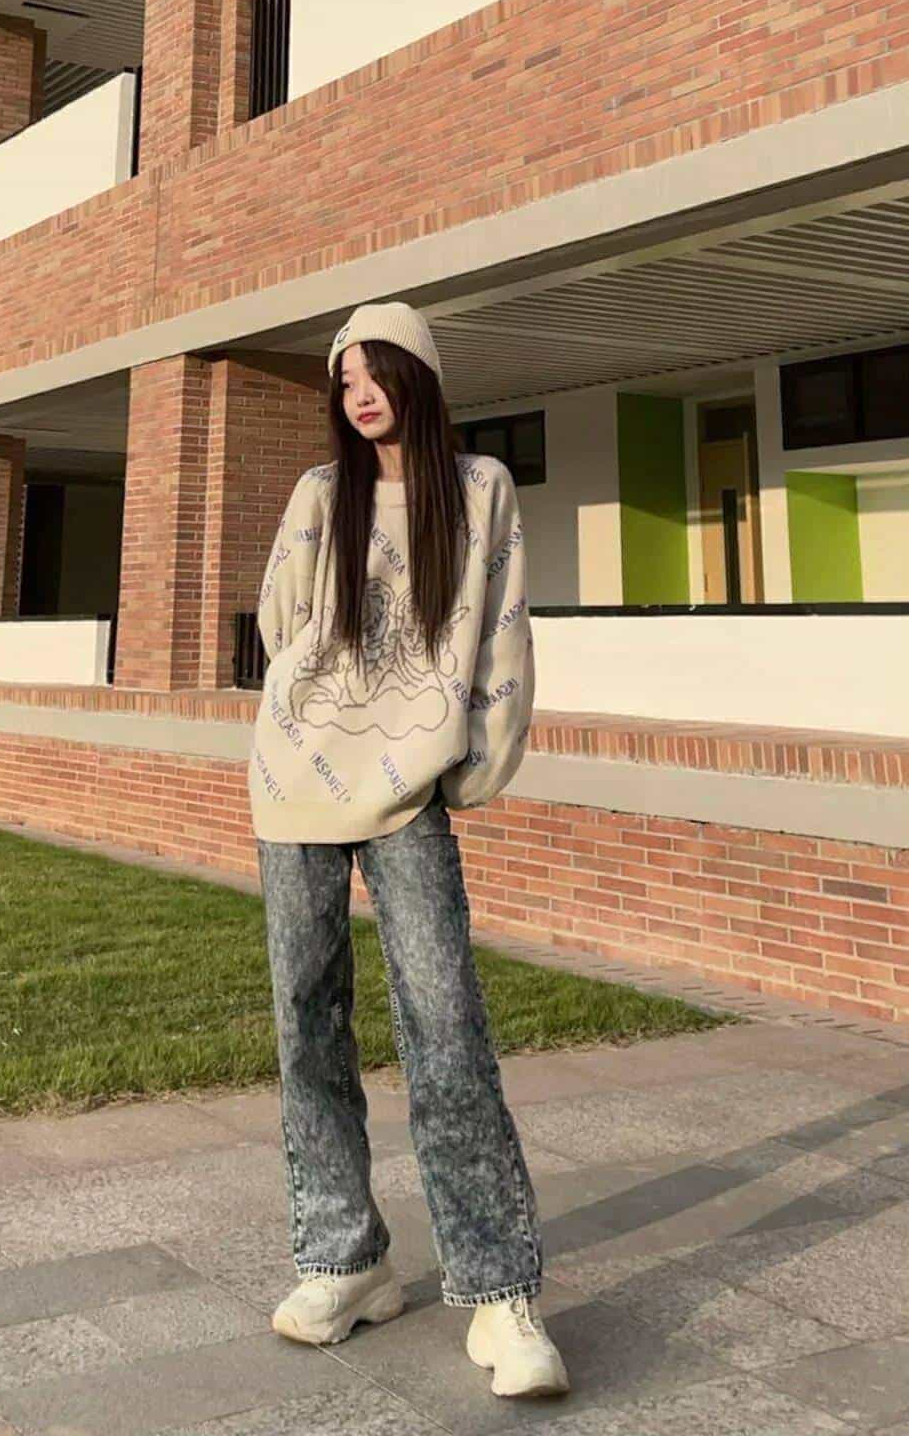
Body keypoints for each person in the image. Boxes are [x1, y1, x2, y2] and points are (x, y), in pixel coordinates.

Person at [248, 300, 569, 1400]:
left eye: (376, 372)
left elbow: (504, 640)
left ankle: (500, 1292)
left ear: (417, 377)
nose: (360, 394)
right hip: (296, 784)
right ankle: (344, 1258)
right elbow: (279, 623)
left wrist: (467, 767)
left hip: (410, 787)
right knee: (307, 1020)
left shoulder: (479, 490)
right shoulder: (319, 495)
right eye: (344, 380)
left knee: (446, 1027)